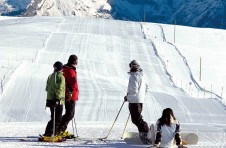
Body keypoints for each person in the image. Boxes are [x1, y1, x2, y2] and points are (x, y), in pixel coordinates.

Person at [124, 60, 150, 144]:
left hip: (134, 101)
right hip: (139, 100)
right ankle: (144, 132)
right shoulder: (141, 76)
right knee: (137, 118)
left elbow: (133, 91)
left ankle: (146, 133)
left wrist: (128, 97)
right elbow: (146, 88)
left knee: (136, 119)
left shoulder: (134, 76)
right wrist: (140, 96)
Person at [41, 61, 65, 142]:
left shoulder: (51, 76)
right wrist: (58, 98)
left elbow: (47, 88)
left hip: (50, 99)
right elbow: (60, 88)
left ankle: (52, 133)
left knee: (54, 117)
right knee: (57, 118)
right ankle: (49, 133)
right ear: (61, 68)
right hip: (57, 100)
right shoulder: (60, 76)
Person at [58, 54, 79, 139]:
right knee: (70, 114)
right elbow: (72, 82)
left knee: (69, 113)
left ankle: (60, 129)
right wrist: (71, 92)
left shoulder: (65, 68)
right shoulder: (70, 70)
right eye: (76, 61)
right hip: (70, 94)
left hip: (67, 94)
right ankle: (60, 130)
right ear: (74, 61)